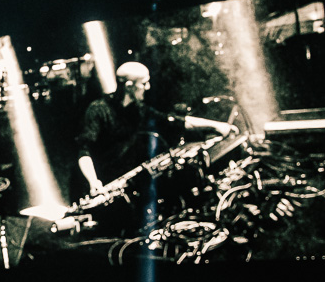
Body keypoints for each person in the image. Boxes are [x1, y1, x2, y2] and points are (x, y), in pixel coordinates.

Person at [75, 62, 234, 196]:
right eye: (144, 83)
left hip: (122, 185)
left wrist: (217, 125)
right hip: (99, 187)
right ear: (129, 86)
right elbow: (84, 151)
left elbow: (174, 121)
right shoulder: (98, 110)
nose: (148, 87)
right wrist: (93, 181)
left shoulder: (138, 110)